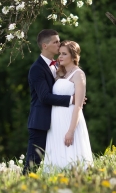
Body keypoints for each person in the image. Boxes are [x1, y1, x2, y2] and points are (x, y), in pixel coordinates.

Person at [24, 29, 74, 173]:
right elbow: (44, 97)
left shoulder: (59, 65)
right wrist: (71, 99)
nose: (60, 44)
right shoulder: (36, 69)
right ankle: (23, 190)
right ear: (45, 46)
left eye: (59, 41)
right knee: (32, 164)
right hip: (40, 123)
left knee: (60, 160)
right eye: (56, 42)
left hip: (58, 122)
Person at [44, 40, 93, 171]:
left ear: (73, 56)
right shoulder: (60, 74)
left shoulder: (79, 74)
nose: (60, 57)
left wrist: (71, 131)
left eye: (64, 54)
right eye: (59, 53)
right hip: (56, 123)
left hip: (69, 122)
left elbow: (78, 106)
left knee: (72, 159)